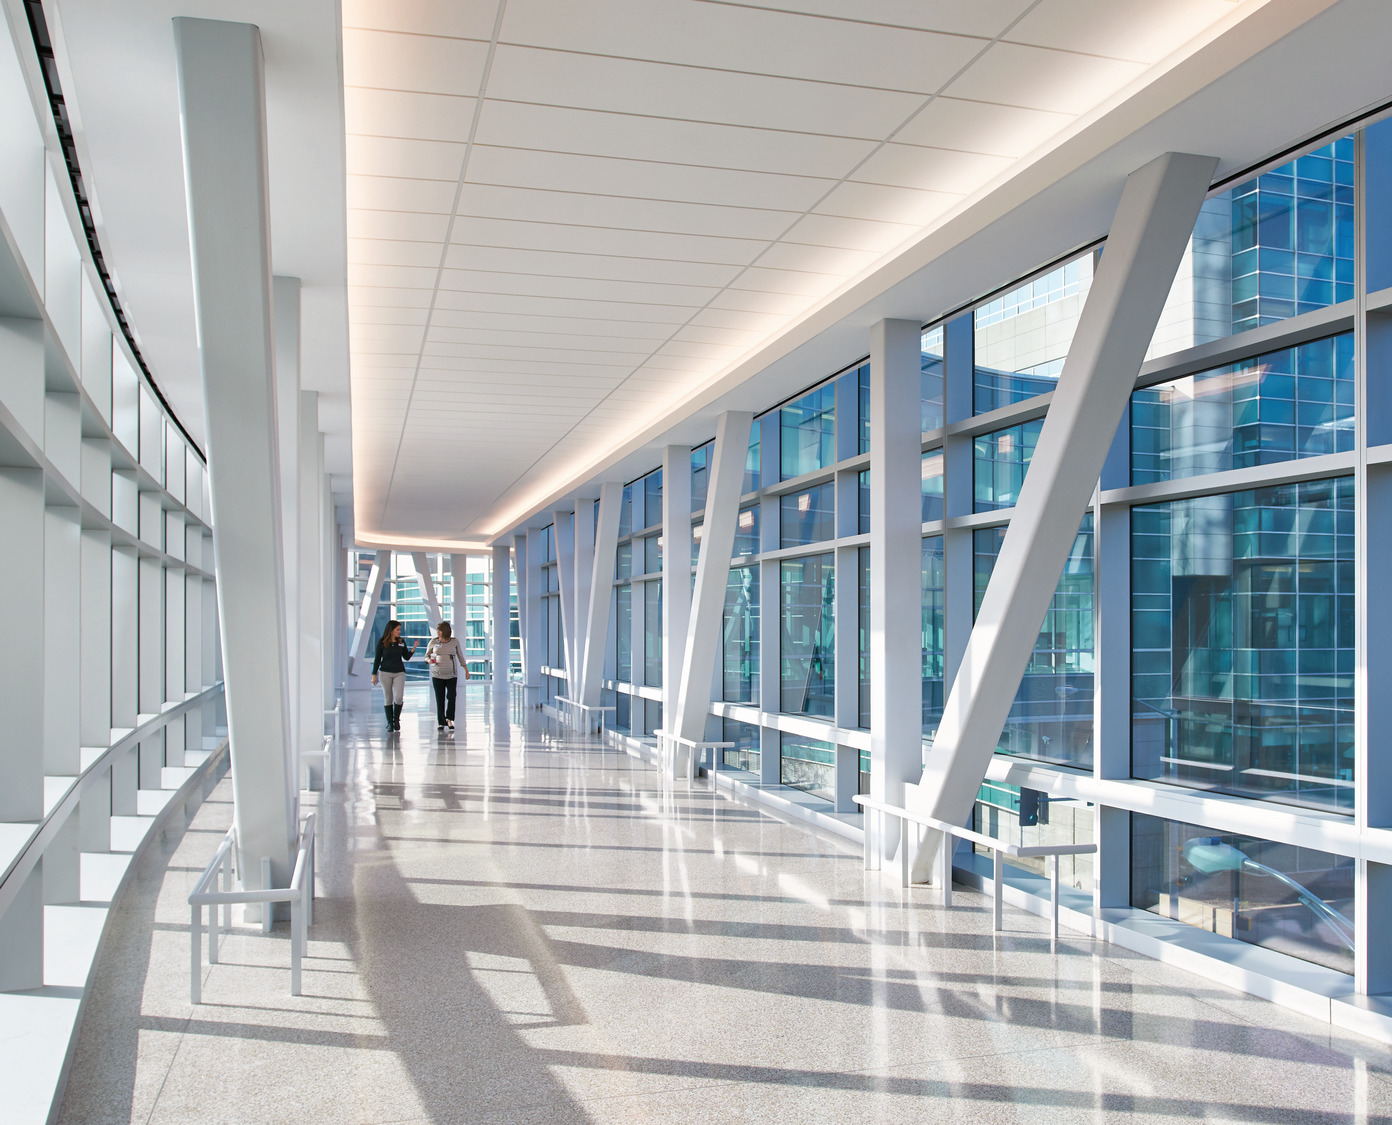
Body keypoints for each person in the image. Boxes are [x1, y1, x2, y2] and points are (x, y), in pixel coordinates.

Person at [371, 620, 416, 731]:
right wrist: (374, 674)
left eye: (399, 629)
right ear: (391, 631)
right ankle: (390, 723)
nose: (399, 632)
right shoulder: (382, 642)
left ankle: (396, 720)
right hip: (385, 673)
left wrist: (413, 649)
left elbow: (406, 657)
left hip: (399, 672)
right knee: (388, 698)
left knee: (399, 697)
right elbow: (377, 659)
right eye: (398, 630)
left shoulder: (401, 641)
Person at [425, 621, 468, 732]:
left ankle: (449, 719)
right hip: (437, 674)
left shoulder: (454, 642)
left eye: (439, 630)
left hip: (451, 675)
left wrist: (466, 670)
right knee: (440, 698)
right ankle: (441, 722)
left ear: (445, 631)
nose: (438, 632)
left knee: (451, 696)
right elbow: (426, 656)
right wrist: (429, 660)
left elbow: (460, 656)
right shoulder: (433, 642)